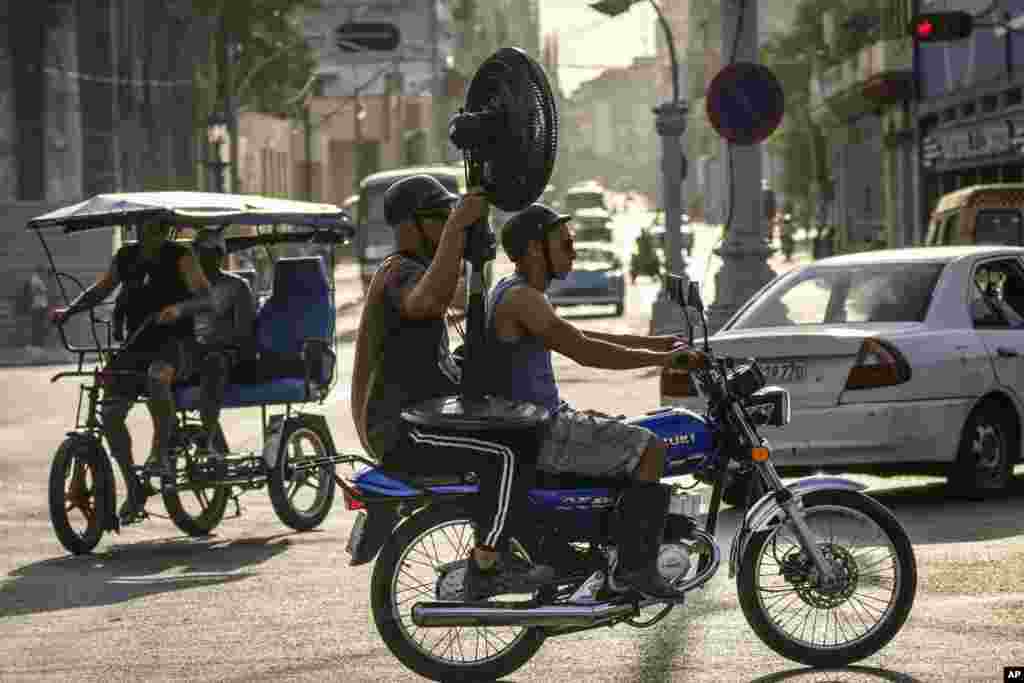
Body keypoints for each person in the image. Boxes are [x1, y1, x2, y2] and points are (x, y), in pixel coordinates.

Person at [485, 203, 707, 599]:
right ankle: (633, 570)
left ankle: (614, 548)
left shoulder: (517, 293)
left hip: (536, 423)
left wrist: (659, 343)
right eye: (566, 245)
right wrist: (664, 359)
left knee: (626, 431)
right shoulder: (523, 299)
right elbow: (587, 352)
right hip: (543, 432)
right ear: (536, 250)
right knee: (650, 449)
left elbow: (581, 336)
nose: (573, 253)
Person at [351, 175, 553, 600]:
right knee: (508, 453)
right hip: (398, 426)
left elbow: (460, 297)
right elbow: (427, 302)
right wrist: (458, 228)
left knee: (520, 433)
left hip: (421, 414)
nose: (446, 225)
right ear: (412, 225)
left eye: (448, 217)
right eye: (438, 218)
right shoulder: (397, 272)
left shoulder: (418, 270)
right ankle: (487, 566)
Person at [51, 219, 214, 522]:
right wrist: (69, 311)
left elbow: (207, 299)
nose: (147, 233)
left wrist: (179, 310)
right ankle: (133, 486)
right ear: (135, 228)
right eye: (143, 227)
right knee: (110, 411)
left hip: (177, 343)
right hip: (136, 344)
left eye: (154, 227)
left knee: (157, 376)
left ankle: (160, 453)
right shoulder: (125, 257)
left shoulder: (182, 255)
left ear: (166, 230)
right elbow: (100, 290)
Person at [189, 229, 258, 457]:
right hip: (194, 353)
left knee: (213, 362)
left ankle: (206, 437)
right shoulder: (186, 287)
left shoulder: (237, 286)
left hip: (229, 355)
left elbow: (243, 332)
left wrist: (210, 343)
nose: (202, 259)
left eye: (209, 254)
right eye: (199, 254)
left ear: (219, 256)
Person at [28, 265, 49, 349]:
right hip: (38, 306)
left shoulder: (37, 279)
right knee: (38, 326)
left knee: (38, 325)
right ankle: (37, 343)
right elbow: (43, 290)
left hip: (39, 305)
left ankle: (38, 343)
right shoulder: (36, 280)